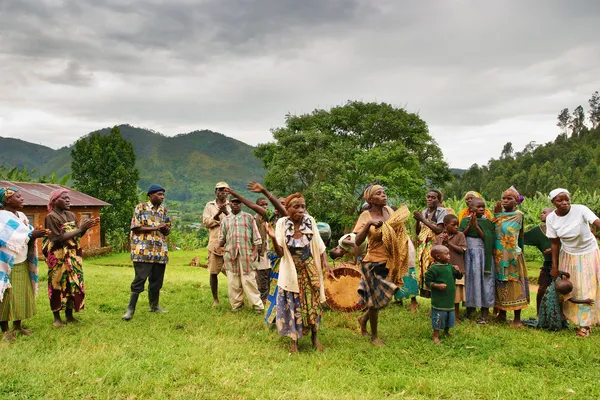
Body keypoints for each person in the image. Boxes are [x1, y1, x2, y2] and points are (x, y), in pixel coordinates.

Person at [268, 192, 333, 352]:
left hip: (310, 270)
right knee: (293, 305)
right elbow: (281, 253)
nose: (301, 210)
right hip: (291, 272)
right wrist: (273, 238)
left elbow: (319, 245)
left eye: (303, 206)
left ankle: (314, 337)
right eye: (296, 206)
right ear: (287, 208)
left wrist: (325, 262)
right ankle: (293, 341)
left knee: (313, 304)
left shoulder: (310, 221)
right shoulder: (282, 224)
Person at [354, 184, 412, 345]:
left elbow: (399, 232)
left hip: (390, 262)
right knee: (375, 301)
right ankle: (374, 336)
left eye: (384, 192)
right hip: (373, 262)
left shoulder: (389, 212)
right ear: (371, 199)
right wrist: (369, 224)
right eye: (379, 194)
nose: (383, 195)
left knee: (386, 297)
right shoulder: (366, 215)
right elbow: (357, 241)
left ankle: (363, 319)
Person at [221, 182, 286, 324]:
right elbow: (253, 205)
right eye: (279, 204)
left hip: (289, 259)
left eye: (284, 204)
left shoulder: (291, 219)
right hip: (275, 258)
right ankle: (273, 315)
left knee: (251, 280)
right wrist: (233, 193)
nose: (281, 207)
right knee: (272, 285)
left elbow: (256, 237)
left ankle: (269, 308)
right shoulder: (272, 218)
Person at [546, 188, 600, 337]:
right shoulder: (551, 218)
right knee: (570, 289)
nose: (564, 203)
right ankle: (566, 318)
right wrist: (555, 267)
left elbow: (596, 222)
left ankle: (585, 326)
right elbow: (555, 243)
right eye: (560, 200)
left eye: (567, 199)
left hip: (589, 253)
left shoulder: (581, 209)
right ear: (553, 202)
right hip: (568, 255)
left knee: (588, 288)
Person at [43, 189, 99, 327]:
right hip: (58, 256)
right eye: (65, 198)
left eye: (69, 198)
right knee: (57, 284)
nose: (69, 200)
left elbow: (76, 236)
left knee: (71, 284)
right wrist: (80, 229)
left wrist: (86, 227)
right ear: (54, 201)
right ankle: (57, 318)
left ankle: (69, 315)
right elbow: (56, 238)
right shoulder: (51, 217)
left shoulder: (70, 215)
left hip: (73, 255)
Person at [0, 188, 48, 340]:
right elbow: (7, 238)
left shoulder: (21, 216)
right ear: (7, 200)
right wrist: (31, 234)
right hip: (8, 264)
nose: (22, 199)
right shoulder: (1, 217)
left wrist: (34, 234)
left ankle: (18, 326)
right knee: (7, 296)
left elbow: (25, 234)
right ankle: (5, 329)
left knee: (21, 295)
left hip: (22, 261)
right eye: (18, 197)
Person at [122, 184, 171, 321]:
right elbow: (135, 227)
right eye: (159, 194)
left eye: (163, 195)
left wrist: (165, 229)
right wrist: (156, 227)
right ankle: (130, 310)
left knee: (156, 280)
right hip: (143, 251)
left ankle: (154, 306)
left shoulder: (163, 211)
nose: (162, 197)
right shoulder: (141, 207)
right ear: (150, 195)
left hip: (160, 252)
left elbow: (167, 231)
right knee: (139, 280)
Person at [218, 196, 263, 312]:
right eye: (233, 202)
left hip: (246, 254)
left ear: (241, 204)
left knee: (249, 280)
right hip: (231, 255)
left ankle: (257, 306)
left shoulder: (249, 218)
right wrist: (221, 245)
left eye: (238, 202)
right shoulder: (226, 220)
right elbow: (221, 239)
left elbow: (257, 238)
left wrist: (254, 253)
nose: (235, 204)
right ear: (230, 204)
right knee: (233, 281)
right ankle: (237, 305)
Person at [493, 186, 529, 328]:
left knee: (515, 284)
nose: (506, 201)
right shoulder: (496, 215)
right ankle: (501, 314)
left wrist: (521, 252)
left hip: (513, 255)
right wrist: (496, 214)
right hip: (499, 256)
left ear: (516, 202)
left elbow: (520, 236)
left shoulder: (518, 215)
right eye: (504, 198)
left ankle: (517, 319)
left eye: (510, 198)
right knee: (501, 283)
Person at [459, 198, 495, 323]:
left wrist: (476, 226)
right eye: (478, 207)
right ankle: (470, 309)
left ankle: (485, 312)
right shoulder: (464, 221)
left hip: (484, 254)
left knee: (485, 281)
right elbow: (460, 236)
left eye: (483, 207)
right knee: (470, 279)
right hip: (469, 254)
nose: (481, 209)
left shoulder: (488, 223)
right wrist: (470, 226)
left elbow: (488, 239)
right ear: (471, 208)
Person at [425, 245, 462, 344]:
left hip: (449, 299)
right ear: (438, 256)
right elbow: (427, 282)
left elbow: (458, 277)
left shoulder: (449, 266)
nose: (449, 256)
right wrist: (437, 285)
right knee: (439, 315)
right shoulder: (433, 269)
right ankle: (436, 335)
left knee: (449, 315)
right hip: (439, 299)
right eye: (446, 254)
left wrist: (458, 270)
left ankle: (446, 331)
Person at [202, 182, 231, 307]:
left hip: (230, 244)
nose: (222, 192)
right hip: (215, 244)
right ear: (216, 191)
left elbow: (236, 222)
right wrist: (219, 213)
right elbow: (206, 222)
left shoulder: (232, 204)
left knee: (233, 273)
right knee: (213, 272)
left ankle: (235, 299)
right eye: (220, 190)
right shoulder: (210, 205)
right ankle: (215, 300)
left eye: (224, 190)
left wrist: (226, 212)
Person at [414, 190, 447, 297]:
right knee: (423, 268)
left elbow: (438, 230)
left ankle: (436, 294)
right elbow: (418, 231)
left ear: (439, 200)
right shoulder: (424, 211)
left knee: (432, 267)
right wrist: (417, 221)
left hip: (434, 246)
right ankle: (426, 292)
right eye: (428, 197)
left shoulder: (441, 211)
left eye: (433, 197)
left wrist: (422, 219)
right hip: (423, 245)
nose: (429, 199)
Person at [434, 214, 466, 321]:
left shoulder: (460, 235)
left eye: (458, 225)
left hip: (456, 269)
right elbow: (435, 251)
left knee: (456, 295)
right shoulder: (439, 237)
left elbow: (462, 250)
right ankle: (443, 315)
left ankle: (455, 316)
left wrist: (449, 243)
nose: (456, 227)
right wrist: (444, 241)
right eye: (453, 225)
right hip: (442, 271)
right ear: (445, 225)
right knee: (444, 293)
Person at [524, 207, 555, 314]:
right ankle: (539, 314)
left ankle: (563, 316)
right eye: (541, 212)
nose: (541, 214)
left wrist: (554, 249)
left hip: (564, 263)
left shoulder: (562, 228)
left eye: (545, 213)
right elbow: (521, 237)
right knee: (542, 288)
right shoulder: (538, 231)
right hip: (548, 264)